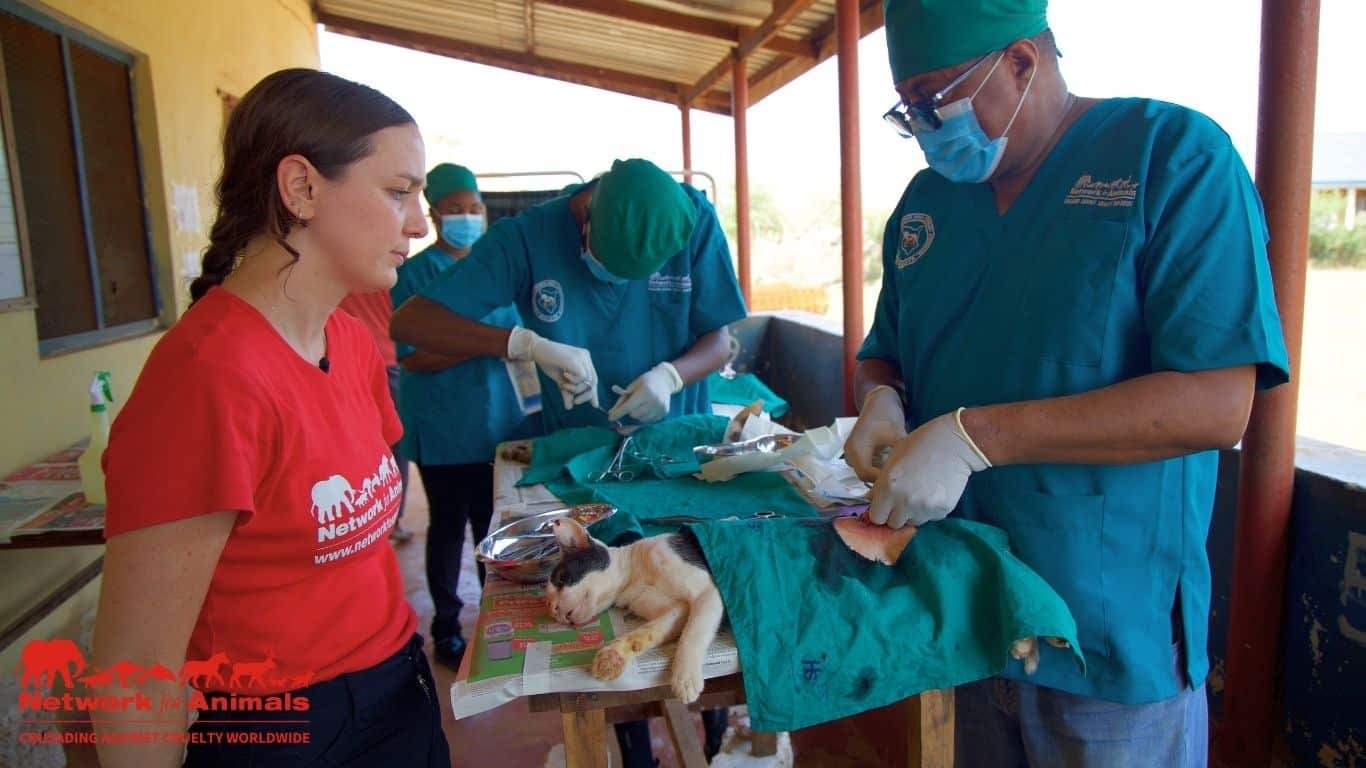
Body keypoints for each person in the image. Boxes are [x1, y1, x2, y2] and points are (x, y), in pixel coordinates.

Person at [844, 1, 1290, 765]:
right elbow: (884, 350)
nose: (925, 127)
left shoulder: (1171, 158)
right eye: (909, 109)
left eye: (939, 99)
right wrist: (880, 398)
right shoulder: (927, 205)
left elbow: (1219, 402)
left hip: (1108, 640)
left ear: (1022, 61)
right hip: (960, 621)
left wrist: (973, 438)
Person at [92, 69, 449, 767]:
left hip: (395, 691)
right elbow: (138, 665)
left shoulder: (346, 339)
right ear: (302, 188)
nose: (419, 222)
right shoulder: (206, 380)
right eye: (399, 192)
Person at [390, 157, 745, 765]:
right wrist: (519, 342)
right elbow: (411, 321)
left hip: (679, 453)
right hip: (586, 458)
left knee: (705, 594)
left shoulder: (693, 221)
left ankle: (714, 738)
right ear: (585, 218)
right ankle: (635, 751)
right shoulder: (528, 239)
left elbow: (720, 339)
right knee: (610, 601)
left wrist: (670, 373)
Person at [390, 162, 536, 668]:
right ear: (434, 215)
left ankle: (498, 624)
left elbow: (522, 344)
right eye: (456, 210)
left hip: (499, 425)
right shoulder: (414, 275)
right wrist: (485, 347)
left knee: (493, 529)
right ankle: (446, 626)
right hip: (445, 426)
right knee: (449, 527)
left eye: (475, 209)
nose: (468, 217)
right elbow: (412, 354)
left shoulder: (497, 275)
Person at [337, 288, 414, 543]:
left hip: (348, 360)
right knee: (393, 447)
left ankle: (369, 521)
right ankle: (389, 520)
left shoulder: (342, 271)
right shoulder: (390, 274)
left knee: (361, 444)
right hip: (382, 358)